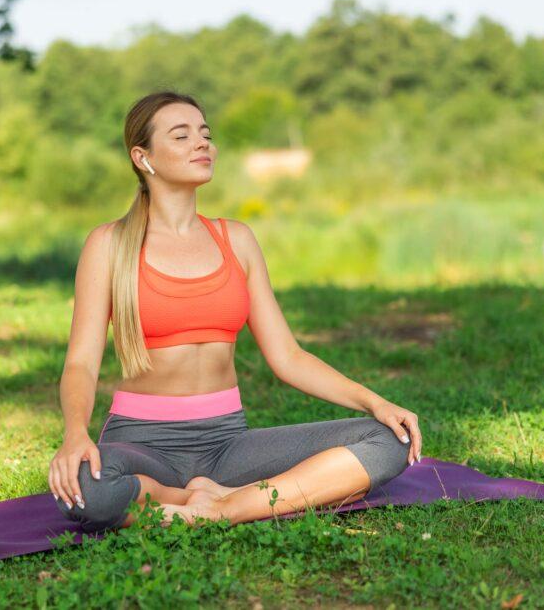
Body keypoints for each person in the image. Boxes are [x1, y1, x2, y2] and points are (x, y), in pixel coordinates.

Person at [48, 91, 423, 532]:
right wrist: (75, 434)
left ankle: (227, 507)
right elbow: (81, 361)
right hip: (142, 442)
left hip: (227, 444)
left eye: (205, 134)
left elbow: (288, 357)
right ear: (142, 156)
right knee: (85, 491)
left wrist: (375, 402)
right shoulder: (108, 245)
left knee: (386, 441)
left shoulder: (237, 240)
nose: (202, 143)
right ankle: (197, 497)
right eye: (182, 135)